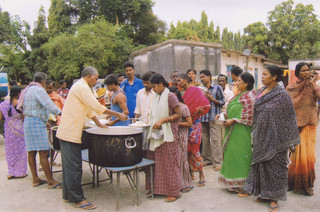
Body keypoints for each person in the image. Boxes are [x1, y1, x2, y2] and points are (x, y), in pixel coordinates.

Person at [57, 67, 127, 210]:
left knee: (69, 166)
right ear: (89, 76)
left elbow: (89, 111)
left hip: (68, 132)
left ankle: (68, 195)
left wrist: (100, 124)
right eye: (95, 79)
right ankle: (78, 199)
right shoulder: (81, 87)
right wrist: (118, 115)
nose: (96, 82)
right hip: (70, 132)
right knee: (74, 167)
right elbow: (96, 107)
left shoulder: (81, 88)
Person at [244, 66, 300, 212]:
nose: (262, 77)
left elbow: (290, 118)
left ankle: (274, 198)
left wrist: (289, 140)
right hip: (260, 135)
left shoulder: (282, 95)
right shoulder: (261, 91)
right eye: (261, 74)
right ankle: (265, 193)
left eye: (265, 74)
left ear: (274, 76)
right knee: (261, 166)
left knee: (275, 168)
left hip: (277, 139)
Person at [18, 72, 62, 188]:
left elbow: (28, 107)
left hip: (28, 122)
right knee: (43, 152)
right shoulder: (39, 90)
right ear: (43, 82)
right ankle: (51, 181)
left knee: (31, 152)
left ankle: (35, 179)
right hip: (36, 123)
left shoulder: (27, 90)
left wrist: (44, 120)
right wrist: (62, 113)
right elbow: (49, 106)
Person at [217, 72, 256, 196]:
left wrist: (233, 120)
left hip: (242, 133)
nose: (236, 83)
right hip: (232, 131)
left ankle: (245, 185)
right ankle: (233, 183)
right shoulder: (238, 95)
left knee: (241, 157)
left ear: (247, 83)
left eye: (239, 81)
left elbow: (250, 116)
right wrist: (223, 116)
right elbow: (233, 111)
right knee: (232, 155)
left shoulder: (250, 96)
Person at [146, 73, 182, 202]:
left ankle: (173, 191)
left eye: (154, 86)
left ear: (161, 84)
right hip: (156, 133)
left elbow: (179, 114)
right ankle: (155, 189)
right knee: (155, 161)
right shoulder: (155, 96)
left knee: (169, 163)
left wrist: (164, 120)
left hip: (168, 134)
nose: (153, 89)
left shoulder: (170, 96)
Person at [286, 62, 320, 196]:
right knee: (295, 156)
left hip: (309, 125)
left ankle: (308, 184)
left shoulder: (312, 86)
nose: (306, 73)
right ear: (298, 73)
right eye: (303, 71)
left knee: (308, 157)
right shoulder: (291, 88)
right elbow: (287, 107)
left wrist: (313, 84)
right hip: (295, 125)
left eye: (308, 70)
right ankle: (292, 182)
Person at [177, 73, 210, 187]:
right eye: (177, 81)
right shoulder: (180, 93)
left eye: (180, 80)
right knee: (185, 149)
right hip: (183, 124)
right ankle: (190, 173)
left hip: (194, 124)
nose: (178, 83)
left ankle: (201, 174)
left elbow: (206, 104)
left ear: (186, 80)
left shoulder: (195, 90)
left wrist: (200, 110)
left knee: (195, 149)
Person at [169, 86, 193, 193]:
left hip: (181, 135)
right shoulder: (170, 108)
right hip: (172, 136)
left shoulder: (183, 107)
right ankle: (176, 183)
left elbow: (189, 123)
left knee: (182, 159)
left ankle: (186, 183)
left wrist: (176, 123)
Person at [199, 70, 225, 170]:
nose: (202, 79)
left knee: (215, 140)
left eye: (203, 77)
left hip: (214, 117)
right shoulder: (200, 89)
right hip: (203, 117)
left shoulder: (217, 88)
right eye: (200, 77)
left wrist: (212, 99)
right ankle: (207, 160)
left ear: (209, 77)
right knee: (205, 140)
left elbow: (222, 102)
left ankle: (218, 162)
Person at [0, 86, 27, 179]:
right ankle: (21, 172)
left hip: (8, 131)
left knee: (10, 152)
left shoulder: (3, 104)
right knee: (21, 152)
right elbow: (24, 118)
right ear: (18, 93)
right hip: (20, 132)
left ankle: (11, 172)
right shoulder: (20, 104)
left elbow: (0, 118)